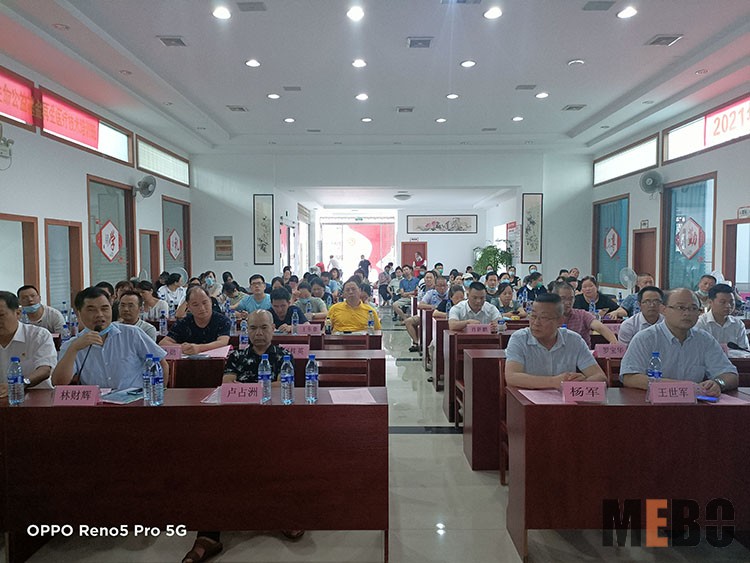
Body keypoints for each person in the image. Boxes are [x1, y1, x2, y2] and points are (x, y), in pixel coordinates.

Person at [620, 288, 738, 397]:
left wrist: (718, 383)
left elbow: (730, 374)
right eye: (681, 308)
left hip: (695, 406)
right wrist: (681, 386)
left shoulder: (705, 340)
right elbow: (629, 377)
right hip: (653, 405)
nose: (687, 313)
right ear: (663, 310)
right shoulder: (645, 339)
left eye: (693, 308)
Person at [52, 287, 168, 389]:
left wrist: (159, 396)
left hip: (134, 403)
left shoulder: (132, 334)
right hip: (96, 404)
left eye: (105, 308)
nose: (99, 314)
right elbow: (58, 383)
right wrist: (74, 349)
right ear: (79, 313)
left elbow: (161, 364)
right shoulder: (73, 345)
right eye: (91, 310)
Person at [505, 293, 606, 389]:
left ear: (560, 321)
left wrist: (579, 384)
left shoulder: (574, 340)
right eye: (533, 316)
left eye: (544, 318)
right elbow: (511, 377)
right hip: (527, 400)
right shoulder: (519, 338)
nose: (536, 323)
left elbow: (600, 377)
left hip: (564, 400)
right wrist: (554, 382)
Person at [0, 290, 57, 396]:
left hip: (38, 398)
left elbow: (45, 369)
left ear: (18, 313)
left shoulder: (39, 335)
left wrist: (20, 384)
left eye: (1, 315)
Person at [160, 286, 231, 354]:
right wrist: (182, 347)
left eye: (205, 303)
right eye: (195, 305)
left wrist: (199, 348)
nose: (202, 308)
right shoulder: (183, 322)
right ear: (188, 307)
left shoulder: (222, 320)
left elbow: (222, 342)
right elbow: (163, 343)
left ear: (211, 301)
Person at [551, 282, 618, 347]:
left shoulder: (582, 315)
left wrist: (614, 343)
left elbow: (601, 328)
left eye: (571, 298)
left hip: (582, 353)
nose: (568, 302)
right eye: (563, 298)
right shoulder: (548, 318)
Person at [695, 283, 749, 349]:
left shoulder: (738, 324)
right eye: (723, 302)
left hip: (734, 356)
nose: (728, 306)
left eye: (731, 302)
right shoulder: (701, 323)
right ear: (710, 302)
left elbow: (744, 350)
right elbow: (698, 349)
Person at [405, 275, 449, 352]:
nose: (442, 288)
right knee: (408, 321)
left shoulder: (451, 294)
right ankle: (417, 343)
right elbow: (420, 305)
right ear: (435, 286)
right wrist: (434, 307)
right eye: (440, 286)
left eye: (444, 286)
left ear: (447, 286)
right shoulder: (430, 293)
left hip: (445, 318)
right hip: (428, 317)